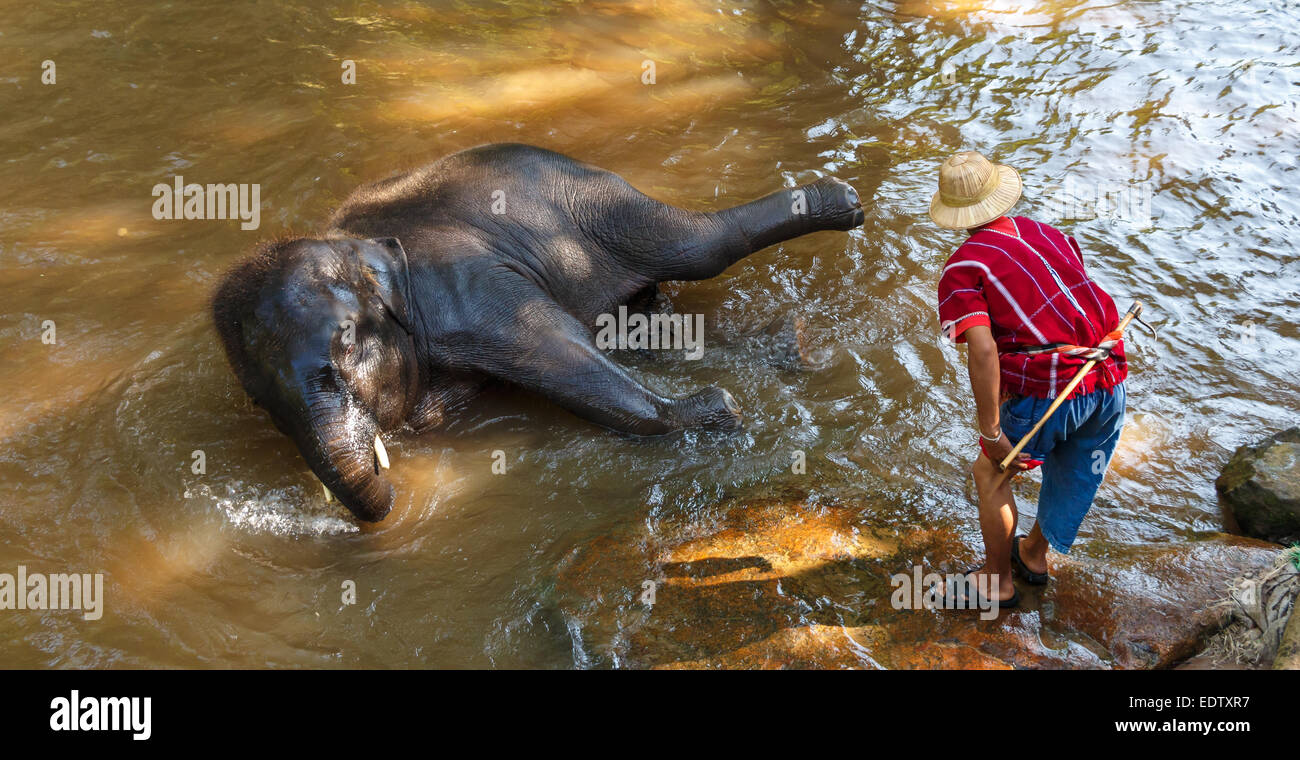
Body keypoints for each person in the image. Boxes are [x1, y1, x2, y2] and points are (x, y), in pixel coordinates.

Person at [930, 150, 1128, 609]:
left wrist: (991, 431)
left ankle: (996, 583)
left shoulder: (964, 267)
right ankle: (1034, 556)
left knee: (991, 472)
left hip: (1050, 389)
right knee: (1076, 468)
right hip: (1109, 375)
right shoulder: (1050, 234)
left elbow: (982, 349)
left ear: (955, 214)